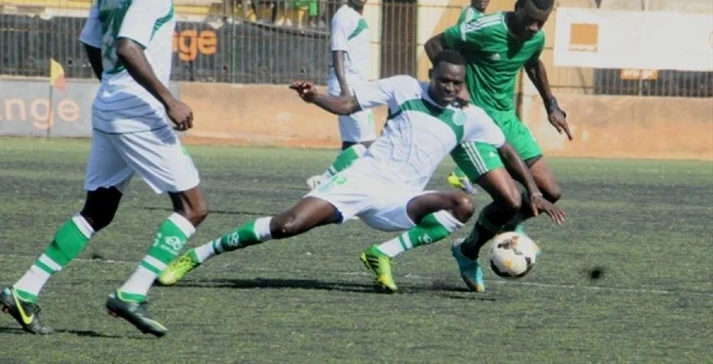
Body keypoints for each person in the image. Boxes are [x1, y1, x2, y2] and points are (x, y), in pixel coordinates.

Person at [157, 51, 561, 292]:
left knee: (462, 203)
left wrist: (533, 191)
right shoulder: (405, 87)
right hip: (362, 180)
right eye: (443, 81)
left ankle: (380, 255)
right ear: (431, 76)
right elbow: (349, 105)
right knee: (286, 226)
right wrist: (316, 98)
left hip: (402, 199)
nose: (450, 89)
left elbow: (506, 149)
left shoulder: (469, 117)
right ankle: (197, 256)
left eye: (456, 84)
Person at [0, 0, 209, 337]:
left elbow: (93, 43)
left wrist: (110, 82)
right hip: (136, 109)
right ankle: (132, 292)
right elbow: (129, 47)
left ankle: (24, 289)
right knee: (194, 207)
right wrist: (169, 100)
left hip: (110, 105)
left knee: (98, 210)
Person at [424, 0, 572, 292]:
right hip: (475, 122)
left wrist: (551, 104)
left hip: (507, 119)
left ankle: (480, 240)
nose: (533, 28)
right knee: (510, 199)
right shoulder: (484, 27)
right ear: (517, 6)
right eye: (529, 19)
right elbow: (434, 44)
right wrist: (457, 92)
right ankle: (471, 250)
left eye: (541, 22)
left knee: (551, 192)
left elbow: (533, 63)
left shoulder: (536, 37)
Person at [305, 0, 374, 190]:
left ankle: (340, 189)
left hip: (357, 84)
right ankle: (324, 181)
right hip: (350, 86)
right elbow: (338, 53)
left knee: (351, 144)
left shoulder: (355, 16)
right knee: (368, 144)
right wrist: (345, 90)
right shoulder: (344, 16)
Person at [448, 0, 492, 192]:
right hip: (471, 82)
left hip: (478, 82)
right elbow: (460, 47)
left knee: (474, 128)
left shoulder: (482, 18)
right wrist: (462, 82)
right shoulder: (470, 15)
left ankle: (465, 174)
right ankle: (462, 174)